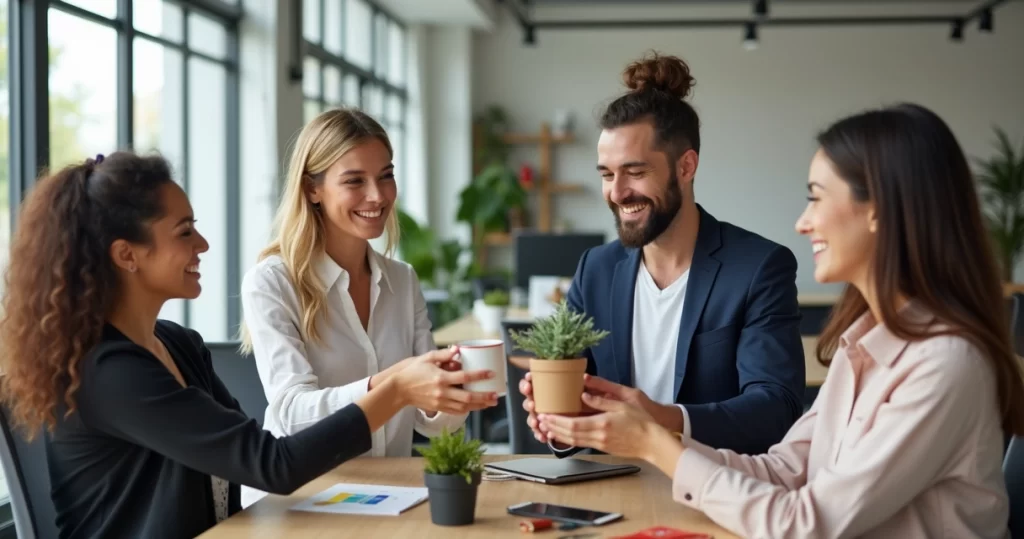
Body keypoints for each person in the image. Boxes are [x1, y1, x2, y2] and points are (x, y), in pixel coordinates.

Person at [536, 103, 1024, 538]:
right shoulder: (864, 345)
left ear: (878, 210)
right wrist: (641, 436)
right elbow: (785, 469)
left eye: (816, 196)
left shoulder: (944, 365)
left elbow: (806, 522)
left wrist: (655, 441)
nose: (802, 221)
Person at [0, 152, 497, 539]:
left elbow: (255, 453)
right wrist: (396, 389)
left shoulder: (178, 345)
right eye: (184, 231)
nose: (203, 245)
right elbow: (272, 466)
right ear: (127, 255)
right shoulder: (109, 373)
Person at [521, 51, 805, 456]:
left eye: (635, 172)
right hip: (615, 488)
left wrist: (660, 418)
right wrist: (561, 421)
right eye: (606, 174)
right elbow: (578, 401)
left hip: (716, 487)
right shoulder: (595, 269)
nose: (617, 192)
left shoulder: (759, 268)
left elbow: (777, 409)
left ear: (686, 167)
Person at [238, 108, 498, 506]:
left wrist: (452, 393)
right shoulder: (272, 281)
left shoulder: (402, 280)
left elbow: (432, 427)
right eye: (354, 181)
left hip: (386, 494)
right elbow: (291, 412)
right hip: (300, 499)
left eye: (385, 176)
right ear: (313, 189)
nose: (377, 196)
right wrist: (392, 385)